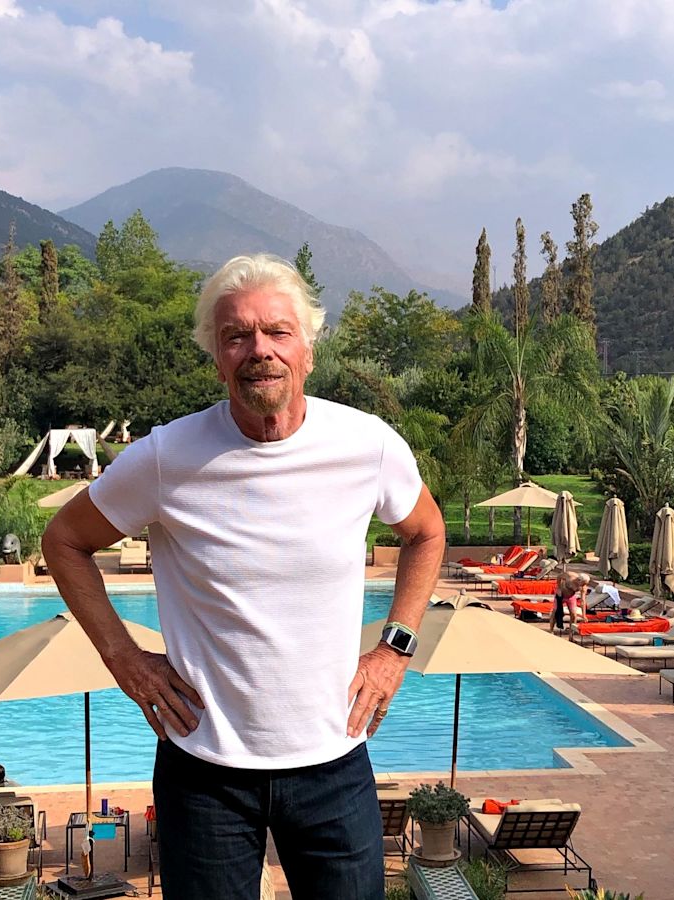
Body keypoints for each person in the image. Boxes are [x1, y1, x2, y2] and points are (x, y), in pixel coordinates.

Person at [41, 254, 446, 900]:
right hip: (205, 773)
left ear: (308, 348)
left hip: (334, 762)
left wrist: (395, 648)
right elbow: (63, 540)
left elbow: (426, 532)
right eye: (237, 335)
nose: (260, 349)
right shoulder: (167, 457)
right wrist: (123, 659)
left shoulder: (367, 446)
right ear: (218, 356)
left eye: (277, 331)